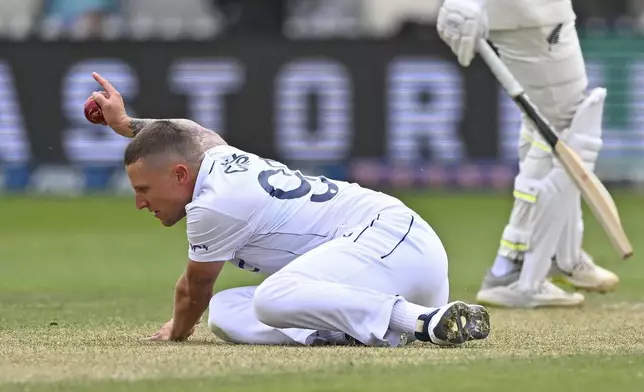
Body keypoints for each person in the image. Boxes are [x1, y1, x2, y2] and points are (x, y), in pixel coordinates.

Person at [88, 72, 491, 347]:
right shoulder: (213, 150)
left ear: (179, 174)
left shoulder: (214, 205)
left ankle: (422, 323)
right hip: (378, 269)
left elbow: (193, 290)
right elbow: (187, 129)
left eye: (143, 189)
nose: (140, 203)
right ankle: (350, 332)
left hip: (394, 244)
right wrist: (127, 124)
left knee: (271, 298)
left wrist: (176, 332)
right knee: (227, 312)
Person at [435, 0, 619, 308]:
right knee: (567, 125)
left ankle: (559, 256)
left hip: (535, 12)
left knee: (545, 124)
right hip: (531, 12)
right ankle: (516, 264)